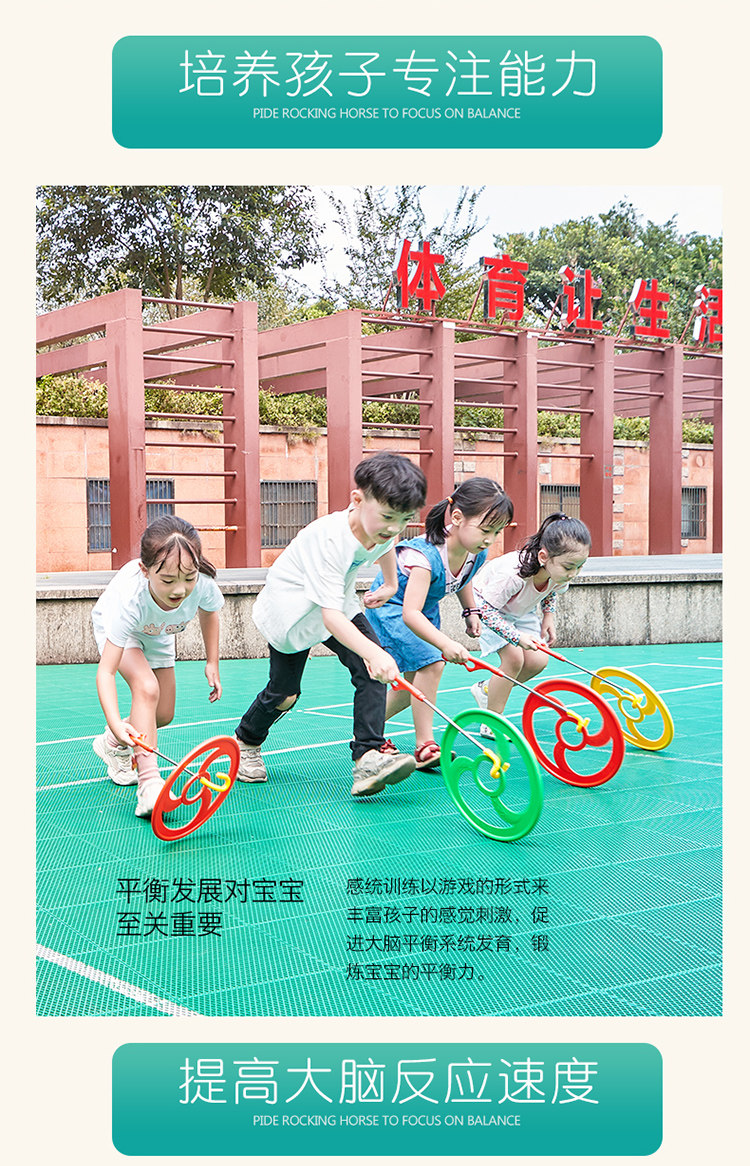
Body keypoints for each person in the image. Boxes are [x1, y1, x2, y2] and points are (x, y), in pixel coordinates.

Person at [235, 451, 428, 797]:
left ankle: (368, 756)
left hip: (337, 602)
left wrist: (390, 583)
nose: (394, 527)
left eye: (404, 519)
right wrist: (375, 652)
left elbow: (387, 542)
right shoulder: (330, 541)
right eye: (388, 516)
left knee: (370, 670)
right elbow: (330, 617)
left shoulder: (381, 527)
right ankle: (246, 742)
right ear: (357, 500)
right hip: (292, 615)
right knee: (284, 694)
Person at [364, 478, 514, 769]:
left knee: (410, 686)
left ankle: (367, 729)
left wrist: (470, 611)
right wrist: (446, 644)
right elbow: (410, 614)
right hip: (393, 610)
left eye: (497, 532)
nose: (490, 539)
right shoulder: (423, 556)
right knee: (432, 664)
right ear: (456, 518)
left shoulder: (476, 551)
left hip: (424, 611)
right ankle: (426, 746)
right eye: (485, 530)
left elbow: (462, 579)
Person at [91, 515, 224, 818]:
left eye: (188, 578)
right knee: (146, 687)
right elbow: (106, 672)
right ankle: (149, 786)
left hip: (159, 631)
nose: (180, 590)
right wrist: (115, 719)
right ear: (145, 570)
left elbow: (210, 612)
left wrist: (212, 661)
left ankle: (111, 743)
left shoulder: (202, 584)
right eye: (167, 581)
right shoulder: (131, 600)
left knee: (162, 714)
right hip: (122, 631)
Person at [470, 512, 591, 732]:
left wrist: (548, 615)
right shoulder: (513, 574)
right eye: (569, 567)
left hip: (519, 611)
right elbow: (485, 611)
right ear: (544, 557)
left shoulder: (560, 571)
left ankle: (488, 689)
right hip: (485, 606)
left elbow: (552, 588)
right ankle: (491, 721)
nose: (574, 573)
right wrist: (516, 637)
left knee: (538, 661)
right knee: (514, 660)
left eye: (580, 566)